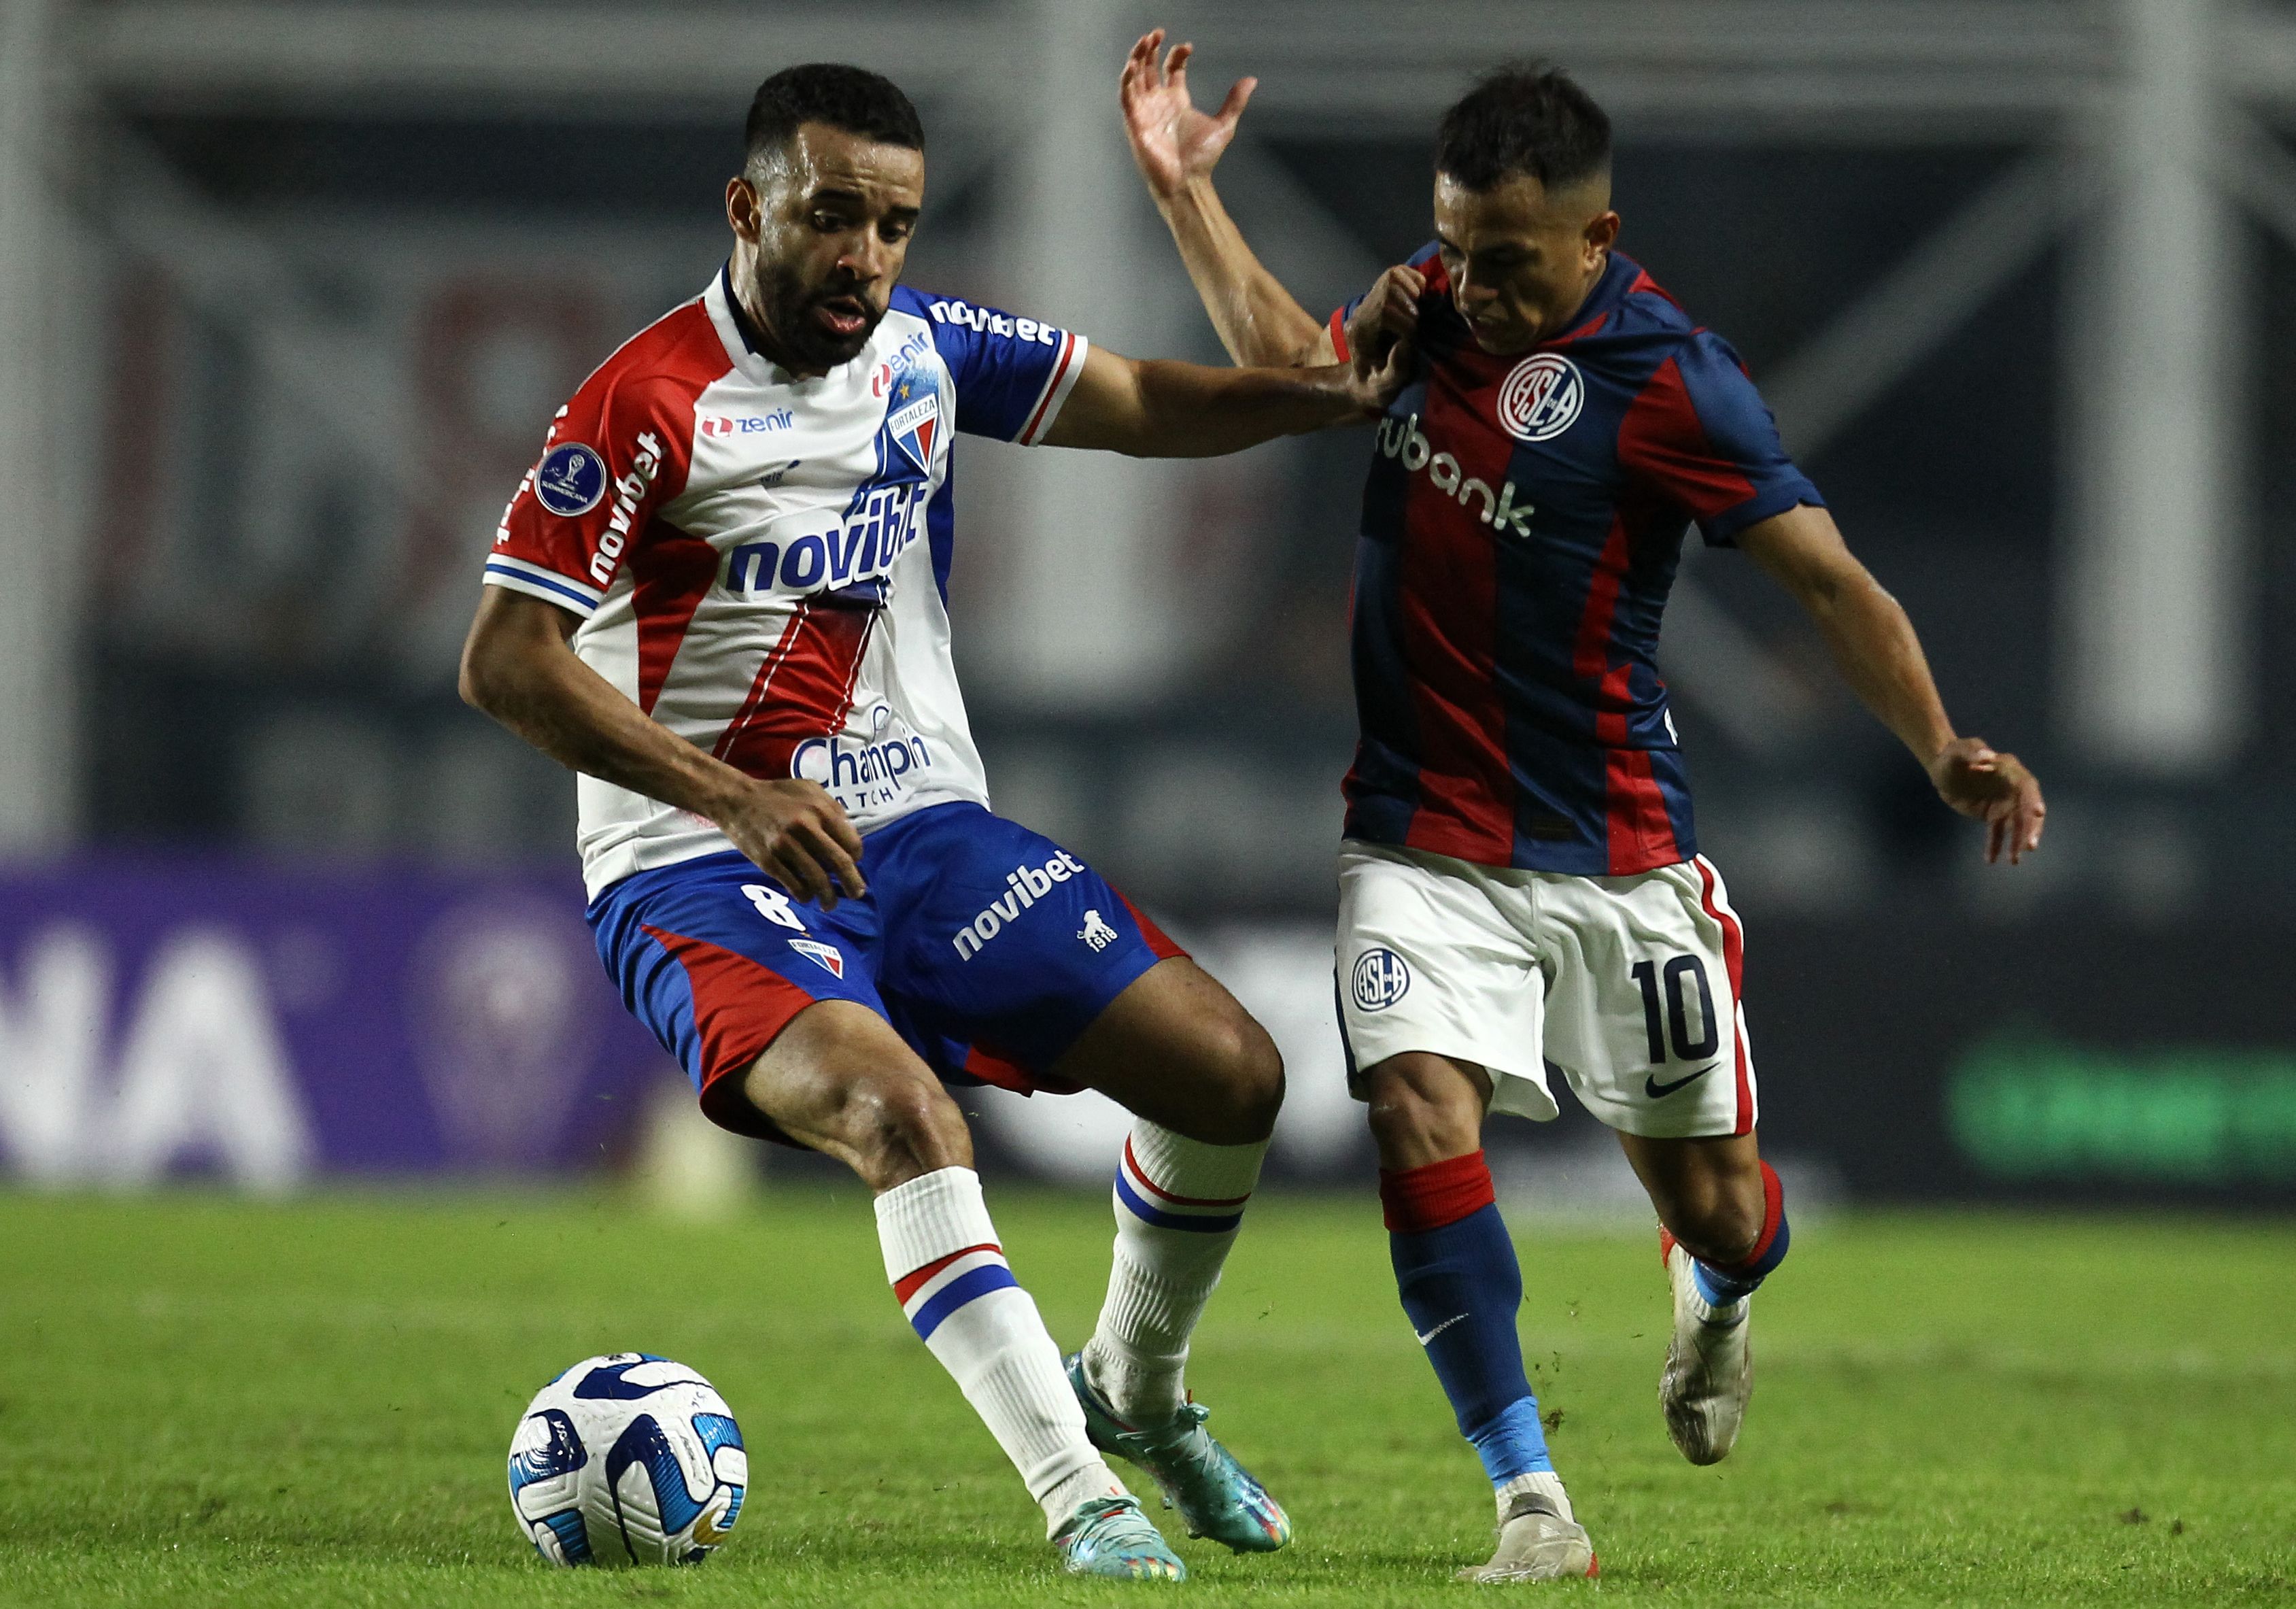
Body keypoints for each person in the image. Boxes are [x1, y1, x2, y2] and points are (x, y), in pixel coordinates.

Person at [460, 62, 1408, 1581]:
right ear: (747, 205)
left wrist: (1193, 203)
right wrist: (736, 795)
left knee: (1231, 1077)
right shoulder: (643, 405)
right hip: (696, 863)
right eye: (834, 217)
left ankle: (1139, 1396)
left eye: (894, 224)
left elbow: (1180, 401)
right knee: (900, 1117)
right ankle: (1080, 1501)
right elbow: (503, 660)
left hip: (917, 832)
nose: (867, 257)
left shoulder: (927, 354)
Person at [1118, 31, 2047, 1582]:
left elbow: (1830, 580)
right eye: (1460, 246)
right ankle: (1529, 1500)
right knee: (1416, 1109)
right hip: (1420, 837)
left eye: (1511, 261)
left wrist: (1940, 747)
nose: (1473, 285)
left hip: (1619, 855)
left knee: (1729, 1208)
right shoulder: (1431, 307)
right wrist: (1187, 197)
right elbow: (1297, 369)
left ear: (1597, 237)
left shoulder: (1677, 379)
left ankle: (1721, 1288)